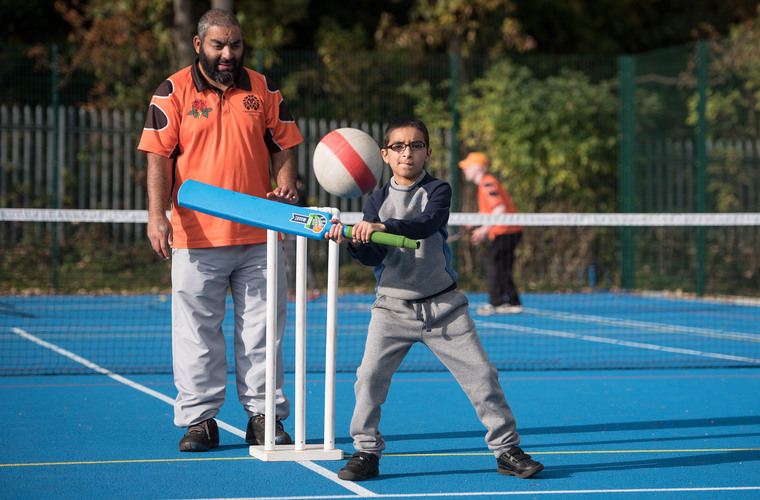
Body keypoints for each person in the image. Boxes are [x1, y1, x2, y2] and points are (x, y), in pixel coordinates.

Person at [324, 117, 543, 481]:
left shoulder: (438, 190)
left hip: (444, 308)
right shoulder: (375, 201)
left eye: (415, 146)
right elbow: (373, 258)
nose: (407, 153)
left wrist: (381, 227)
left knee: (482, 376)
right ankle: (366, 453)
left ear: (427, 152)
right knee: (368, 379)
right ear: (385, 154)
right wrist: (354, 243)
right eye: (398, 147)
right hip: (392, 309)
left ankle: (507, 450)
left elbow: (426, 224)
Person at [138, 8, 301, 452]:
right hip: (196, 236)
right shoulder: (171, 91)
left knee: (264, 332)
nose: (227, 53)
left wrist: (285, 189)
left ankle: (265, 417)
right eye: (218, 45)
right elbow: (158, 156)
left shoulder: (265, 89)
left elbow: (284, 146)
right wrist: (157, 216)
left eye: (235, 45)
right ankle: (200, 422)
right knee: (196, 334)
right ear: (198, 45)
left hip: (261, 235)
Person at [459, 152, 524, 315]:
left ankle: (497, 301)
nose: (465, 170)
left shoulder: (488, 184)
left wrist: (483, 229)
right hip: (508, 230)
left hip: (507, 230)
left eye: (468, 167)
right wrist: (471, 223)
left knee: (491, 259)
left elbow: (500, 209)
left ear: (478, 168)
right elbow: (487, 211)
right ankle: (512, 301)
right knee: (501, 264)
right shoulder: (485, 185)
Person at [284, 174, 321, 301]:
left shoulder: (296, 196)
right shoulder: (296, 196)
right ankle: (303, 288)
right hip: (295, 235)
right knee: (299, 263)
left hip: (295, 235)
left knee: (297, 263)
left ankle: (307, 288)